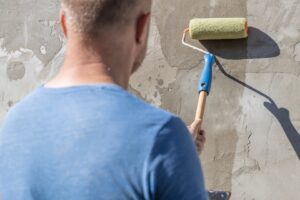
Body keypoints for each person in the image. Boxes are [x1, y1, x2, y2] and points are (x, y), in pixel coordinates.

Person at [0, 0, 208, 199]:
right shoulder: (162, 138)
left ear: (64, 24)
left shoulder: (13, 127)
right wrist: (175, 156)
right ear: (141, 28)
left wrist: (176, 157)